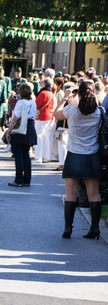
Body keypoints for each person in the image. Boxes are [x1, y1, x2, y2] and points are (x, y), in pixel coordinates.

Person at [54, 81, 102, 240]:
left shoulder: (72, 110)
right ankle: (95, 228)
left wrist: (66, 97)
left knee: (71, 194)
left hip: (74, 154)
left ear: (79, 94)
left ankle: (68, 228)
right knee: (94, 194)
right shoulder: (99, 112)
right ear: (93, 93)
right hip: (92, 154)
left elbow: (56, 114)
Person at [5, 83, 37, 187]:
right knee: (26, 155)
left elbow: (15, 118)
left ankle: (18, 179)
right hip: (30, 127)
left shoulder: (20, 102)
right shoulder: (33, 102)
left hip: (20, 128)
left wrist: (9, 130)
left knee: (18, 154)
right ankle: (27, 180)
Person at [34, 77, 55, 163]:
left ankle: (38, 156)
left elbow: (36, 104)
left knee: (39, 136)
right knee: (46, 136)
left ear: (44, 84)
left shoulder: (43, 93)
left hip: (41, 116)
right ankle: (46, 156)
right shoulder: (52, 93)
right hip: (49, 116)